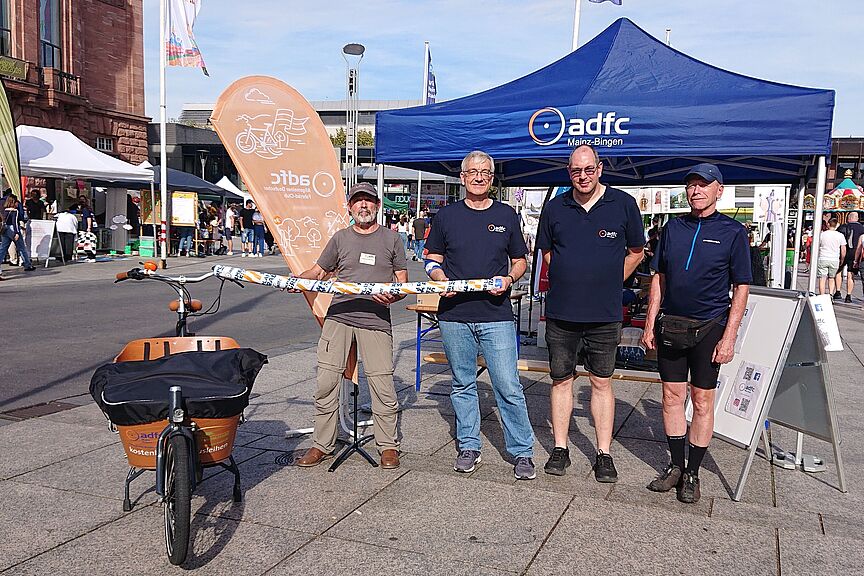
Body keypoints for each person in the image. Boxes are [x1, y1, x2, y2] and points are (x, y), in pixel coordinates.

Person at [642, 163, 751, 504]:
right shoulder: (673, 228)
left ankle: (693, 472)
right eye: (691, 185)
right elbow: (658, 277)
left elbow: (742, 287)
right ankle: (676, 465)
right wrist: (650, 321)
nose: (696, 191)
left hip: (710, 327)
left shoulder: (733, 232)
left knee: (702, 401)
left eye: (704, 185)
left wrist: (729, 336)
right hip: (672, 324)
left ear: (720, 190)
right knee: (672, 397)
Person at [424, 150, 537, 480]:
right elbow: (432, 259)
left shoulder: (506, 214)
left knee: (508, 385)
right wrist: (442, 280)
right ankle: (469, 445)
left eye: (484, 173)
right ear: (462, 177)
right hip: (455, 314)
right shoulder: (446, 217)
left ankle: (522, 451)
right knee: (462, 383)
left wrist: (510, 278)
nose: (477, 177)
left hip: (496, 314)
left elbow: (520, 261)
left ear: (491, 178)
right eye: (471, 172)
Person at [535, 144, 645, 481]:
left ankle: (603, 453)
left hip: (604, 313)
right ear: (569, 172)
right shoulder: (555, 208)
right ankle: (560, 448)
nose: (582, 176)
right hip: (562, 312)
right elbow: (548, 253)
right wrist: (573, 279)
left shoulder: (623, 204)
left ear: (600, 168)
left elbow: (637, 251)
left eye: (588, 169)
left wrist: (608, 281)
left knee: (601, 382)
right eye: (575, 170)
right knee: (561, 380)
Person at [295, 182, 406, 470]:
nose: (363, 206)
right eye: (358, 201)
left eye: (369, 201)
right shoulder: (340, 238)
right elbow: (319, 271)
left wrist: (393, 293)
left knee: (382, 385)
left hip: (375, 319)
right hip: (340, 316)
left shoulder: (392, 239)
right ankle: (322, 444)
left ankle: (388, 445)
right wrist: (298, 281)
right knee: (326, 383)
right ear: (350, 207)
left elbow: (403, 282)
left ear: (378, 205)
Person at [0, 195, 36, 279]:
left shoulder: (4, 210)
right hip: (13, 229)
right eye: (16, 202)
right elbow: (15, 223)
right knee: (21, 248)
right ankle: (27, 265)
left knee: (3, 249)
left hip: (5, 229)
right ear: (13, 202)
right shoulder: (14, 211)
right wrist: (16, 233)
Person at [835, 212, 864, 302]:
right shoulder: (862, 228)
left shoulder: (842, 227)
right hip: (854, 252)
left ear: (849, 218)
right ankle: (848, 294)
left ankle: (838, 291)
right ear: (857, 218)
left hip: (843, 252)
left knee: (839, 271)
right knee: (850, 273)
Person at [816, 218, 845, 296]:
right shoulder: (840, 235)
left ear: (828, 224)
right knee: (831, 278)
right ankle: (831, 294)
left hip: (823, 257)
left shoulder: (822, 234)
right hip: (834, 259)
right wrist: (842, 259)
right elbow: (843, 249)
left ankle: (822, 295)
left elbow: (817, 246)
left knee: (822, 278)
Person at [76, 196, 96, 262]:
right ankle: (90, 256)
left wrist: (88, 227)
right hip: (89, 228)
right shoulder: (88, 208)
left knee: (88, 242)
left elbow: (88, 218)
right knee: (89, 242)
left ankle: (91, 257)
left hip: (87, 228)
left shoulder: (85, 209)